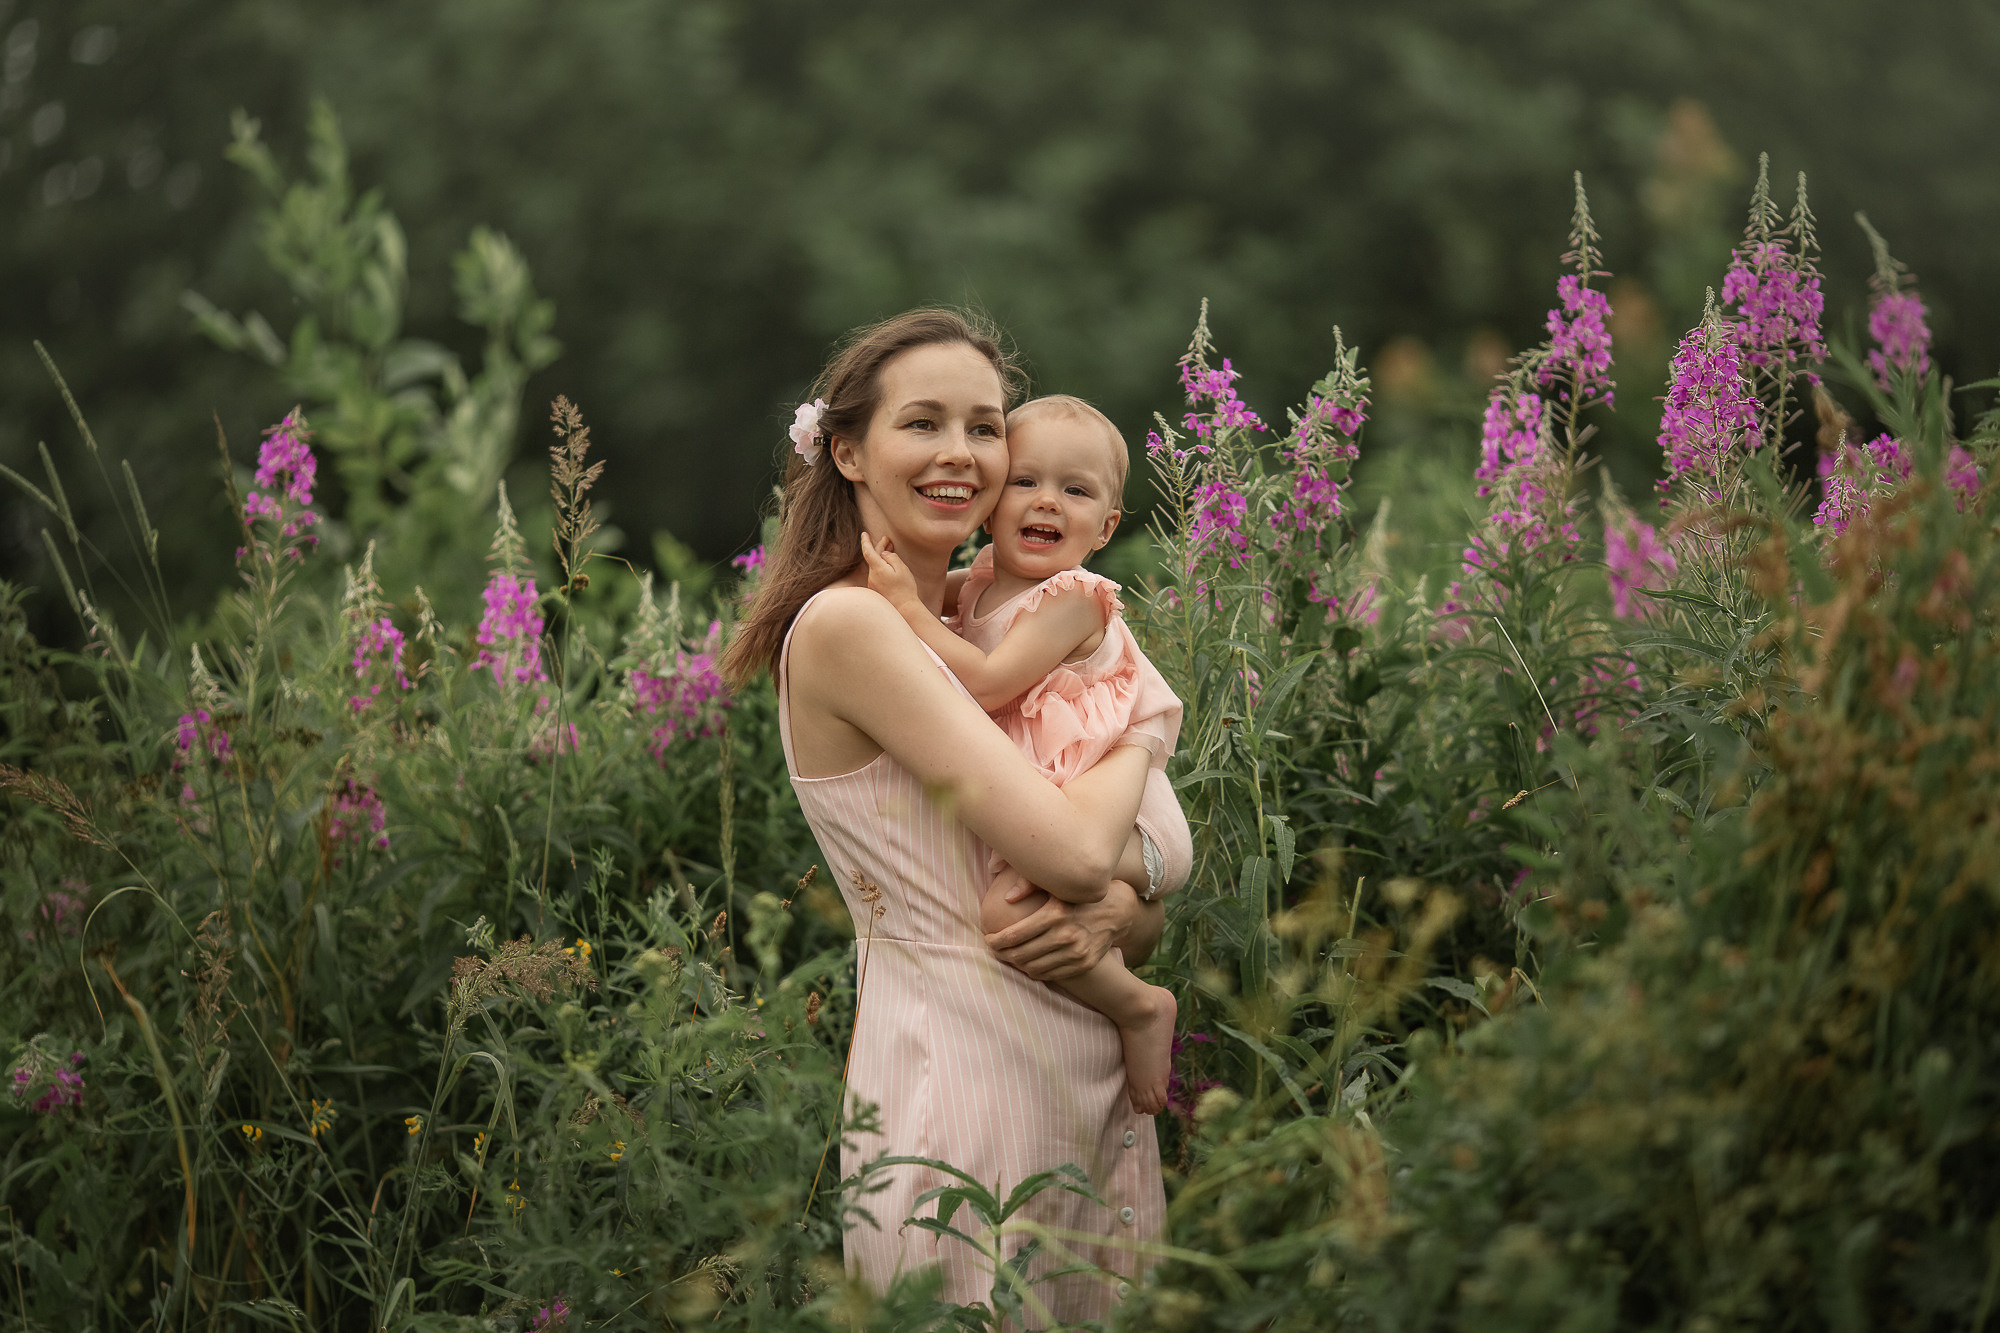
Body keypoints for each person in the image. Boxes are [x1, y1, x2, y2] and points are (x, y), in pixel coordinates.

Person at [722, 309, 1191, 1321]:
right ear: (845, 451)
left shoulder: (972, 624)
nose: (959, 454)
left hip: (1079, 1069)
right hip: (964, 1078)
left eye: (984, 428)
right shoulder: (853, 621)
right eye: (922, 424)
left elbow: (1125, 896)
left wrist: (1124, 910)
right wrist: (1146, 733)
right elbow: (1072, 854)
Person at [859, 394, 1180, 1116]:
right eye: (1026, 482)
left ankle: (1138, 1007)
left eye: (1076, 490)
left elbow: (991, 682)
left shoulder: (1075, 597)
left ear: (1106, 526)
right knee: (1025, 912)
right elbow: (913, 600)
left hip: (1131, 822)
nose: (1047, 502)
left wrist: (907, 609)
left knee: (1006, 914)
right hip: (1070, 804)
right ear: (990, 503)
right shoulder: (980, 580)